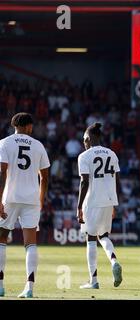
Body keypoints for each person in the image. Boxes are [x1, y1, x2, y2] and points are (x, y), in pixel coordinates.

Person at [0, 113, 50, 298]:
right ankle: (29, 287)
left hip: (10, 197)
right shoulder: (38, 145)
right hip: (31, 199)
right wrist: (41, 199)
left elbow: (2, 172)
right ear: (28, 126)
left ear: (14, 125)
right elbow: (44, 177)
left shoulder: (4, 143)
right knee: (30, 243)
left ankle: (0, 285)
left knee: (2, 237)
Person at [77, 122, 123, 289]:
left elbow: (84, 182)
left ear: (89, 138)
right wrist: (114, 204)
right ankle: (114, 261)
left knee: (90, 238)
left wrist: (79, 206)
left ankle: (93, 281)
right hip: (109, 200)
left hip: (92, 201)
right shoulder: (112, 154)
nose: (84, 143)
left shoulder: (84, 156)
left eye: (84, 140)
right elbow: (117, 181)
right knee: (103, 236)